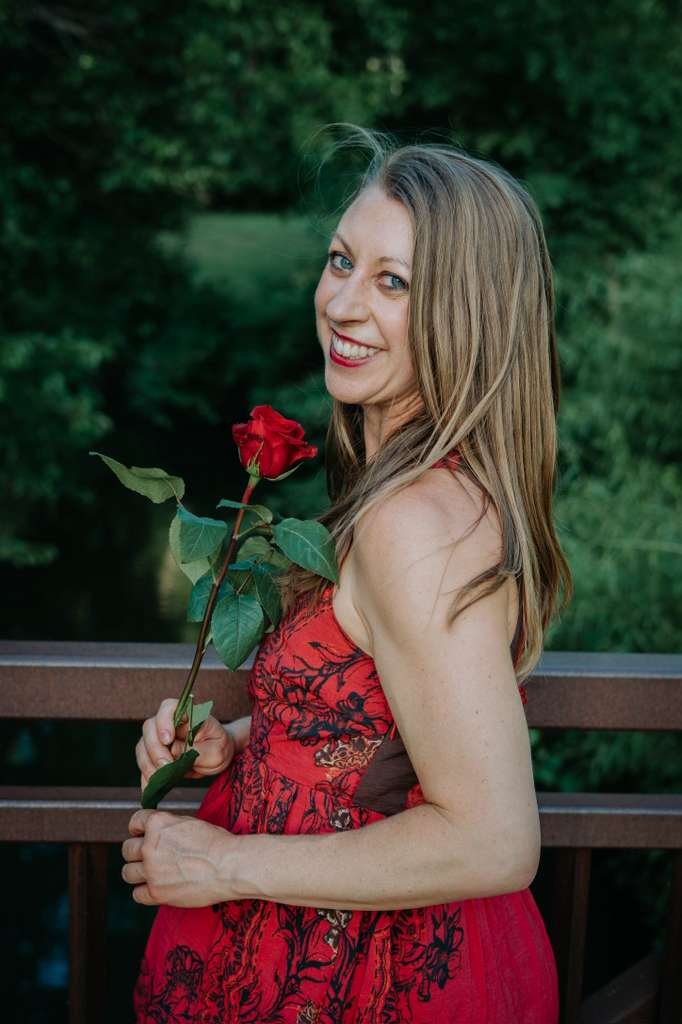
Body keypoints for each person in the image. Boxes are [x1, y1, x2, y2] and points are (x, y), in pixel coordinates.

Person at [123, 127, 572, 1023]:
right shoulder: (408, 493)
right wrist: (244, 742)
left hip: (370, 978)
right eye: (341, 260)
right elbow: (381, 717)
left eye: (392, 280)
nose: (342, 302)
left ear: (465, 314)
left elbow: (493, 839)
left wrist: (220, 862)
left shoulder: (414, 525)